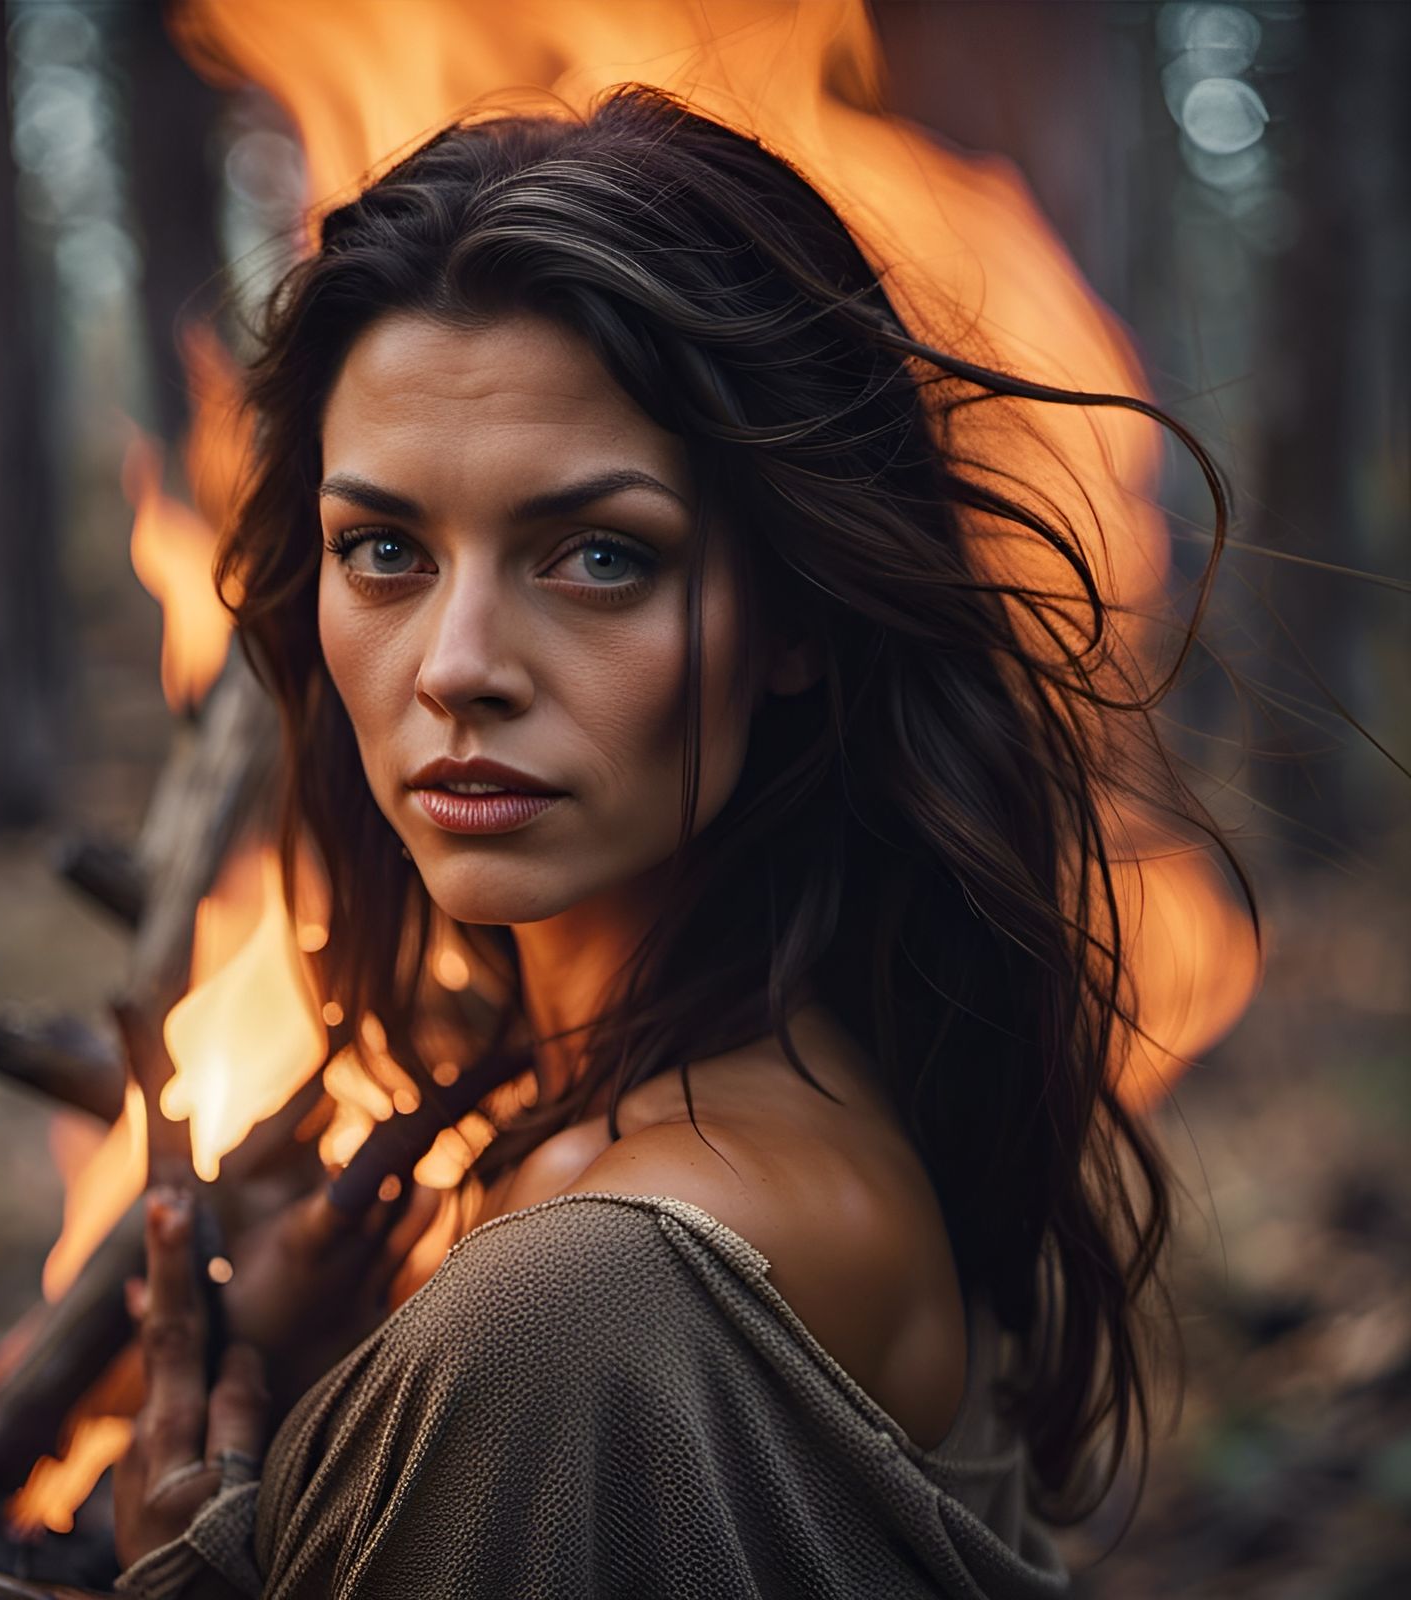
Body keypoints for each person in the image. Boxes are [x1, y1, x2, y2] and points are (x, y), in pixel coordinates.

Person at [111, 83, 1247, 1598]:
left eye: (597, 555)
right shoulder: (689, 1122)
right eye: (383, 549)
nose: (456, 665)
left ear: (788, 616)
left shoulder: (613, 1286)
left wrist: (187, 1566)